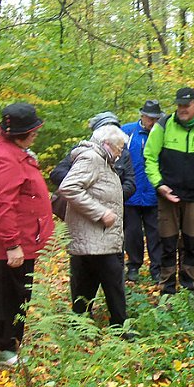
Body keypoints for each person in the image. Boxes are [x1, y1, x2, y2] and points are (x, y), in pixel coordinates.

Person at [0, 103, 54, 366]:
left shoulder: (11, 150)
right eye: (33, 131)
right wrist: (12, 244)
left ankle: (8, 345)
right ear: (18, 133)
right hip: (5, 244)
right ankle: (2, 350)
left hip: (20, 239)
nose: (36, 134)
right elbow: (2, 206)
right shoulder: (3, 158)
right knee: (3, 296)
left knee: (14, 294)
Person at [144, 87, 194, 295]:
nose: (182, 109)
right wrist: (159, 185)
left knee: (191, 242)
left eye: (186, 105)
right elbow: (149, 156)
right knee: (167, 242)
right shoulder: (164, 125)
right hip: (168, 196)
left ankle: (189, 287)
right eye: (179, 105)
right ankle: (167, 288)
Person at [59, 125, 129, 328]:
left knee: (86, 284)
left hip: (98, 238)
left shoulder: (104, 161)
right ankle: (119, 328)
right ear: (107, 144)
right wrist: (101, 213)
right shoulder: (92, 159)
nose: (120, 153)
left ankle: (80, 327)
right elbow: (69, 187)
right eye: (119, 148)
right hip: (96, 237)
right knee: (112, 285)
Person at [50, 111, 136, 216]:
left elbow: (130, 184)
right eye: (107, 130)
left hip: (113, 210)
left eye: (114, 130)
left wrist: (110, 197)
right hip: (84, 209)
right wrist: (89, 189)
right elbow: (57, 174)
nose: (111, 134)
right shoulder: (83, 151)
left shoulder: (123, 155)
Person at [121, 100, 164, 283]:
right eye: (149, 118)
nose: (152, 122)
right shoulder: (127, 131)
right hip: (131, 194)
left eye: (155, 118)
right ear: (142, 115)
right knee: (132, 233)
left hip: (154, 194)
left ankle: (157, 268)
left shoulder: (162, 133)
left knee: (156, 233)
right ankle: (133, 266)